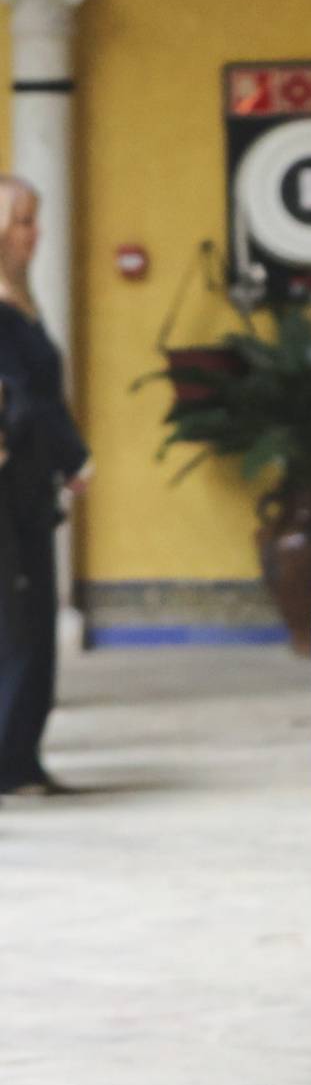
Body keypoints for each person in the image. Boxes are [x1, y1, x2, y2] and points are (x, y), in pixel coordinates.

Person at [0, 174, 90, 797]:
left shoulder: (21, 304)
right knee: (18, 622)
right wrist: (74, 456)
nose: (35, 233)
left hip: (32, 486)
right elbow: (24, 401)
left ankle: (21, 759)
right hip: (9, 488)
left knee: (33, 622)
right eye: (24, 220)